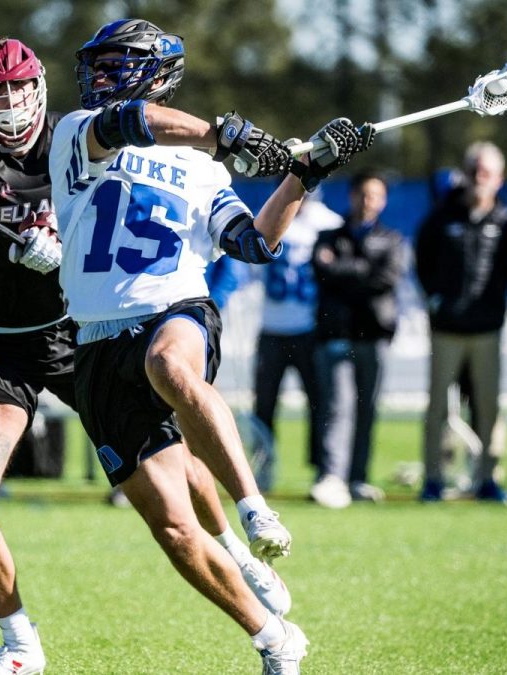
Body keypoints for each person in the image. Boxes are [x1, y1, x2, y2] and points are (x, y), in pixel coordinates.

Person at [0, 37, 291, 675]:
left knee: (180, 466)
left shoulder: (74, 134)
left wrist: (55, 241)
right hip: (0, 343)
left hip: (79, 332)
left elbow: (106, 212)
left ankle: (234, 549)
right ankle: (19, 644)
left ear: (38, 87)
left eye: (17, 88)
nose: (9, 103)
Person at [49, 18, 372, 673]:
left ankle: (254, 510)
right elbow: (132, 122)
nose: (98, 76)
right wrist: (227, 134)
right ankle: (272, 633)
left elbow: (254, 243)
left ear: (157, 72)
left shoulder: (200, 170)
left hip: (174, 309)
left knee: (169, 364)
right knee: (174, 528)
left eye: (115, 65)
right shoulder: (76, 132)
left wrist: (303, 176)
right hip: (97, 343)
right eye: (98, 65)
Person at [415, 141, 507, 503]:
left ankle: (489, 478)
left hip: (486, 329)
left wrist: (492, 308)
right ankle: (433, 478)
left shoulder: (504, 221)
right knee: (438, 408)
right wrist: (437, 300)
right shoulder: (442, 217)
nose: (479, 178)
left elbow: (506, 270)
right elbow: (423, 261)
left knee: (489, 407)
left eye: (486, 172)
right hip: (447, 329)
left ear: (499, 178)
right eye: (474, 170)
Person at [309, 171, 405, 508]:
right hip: (337, 332)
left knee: (367, 409)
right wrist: (363, 269)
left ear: (383, 200)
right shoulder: (328, 236)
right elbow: (322, 273)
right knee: (337, 406)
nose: (368, 201)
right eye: (363, 194)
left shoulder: (392, 240)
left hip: (374, 335)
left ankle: (357, 478)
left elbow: (386, 278)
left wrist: (343, 269)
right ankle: (331, 476)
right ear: (351, 196)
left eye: (375, 195)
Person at [253, 190, 341, 483]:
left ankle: (322, 469)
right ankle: (262, 464)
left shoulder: (329, 223)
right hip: (272, 327)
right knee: (264, 404)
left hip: (310, 329)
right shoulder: (269, 214)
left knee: (319, 402)